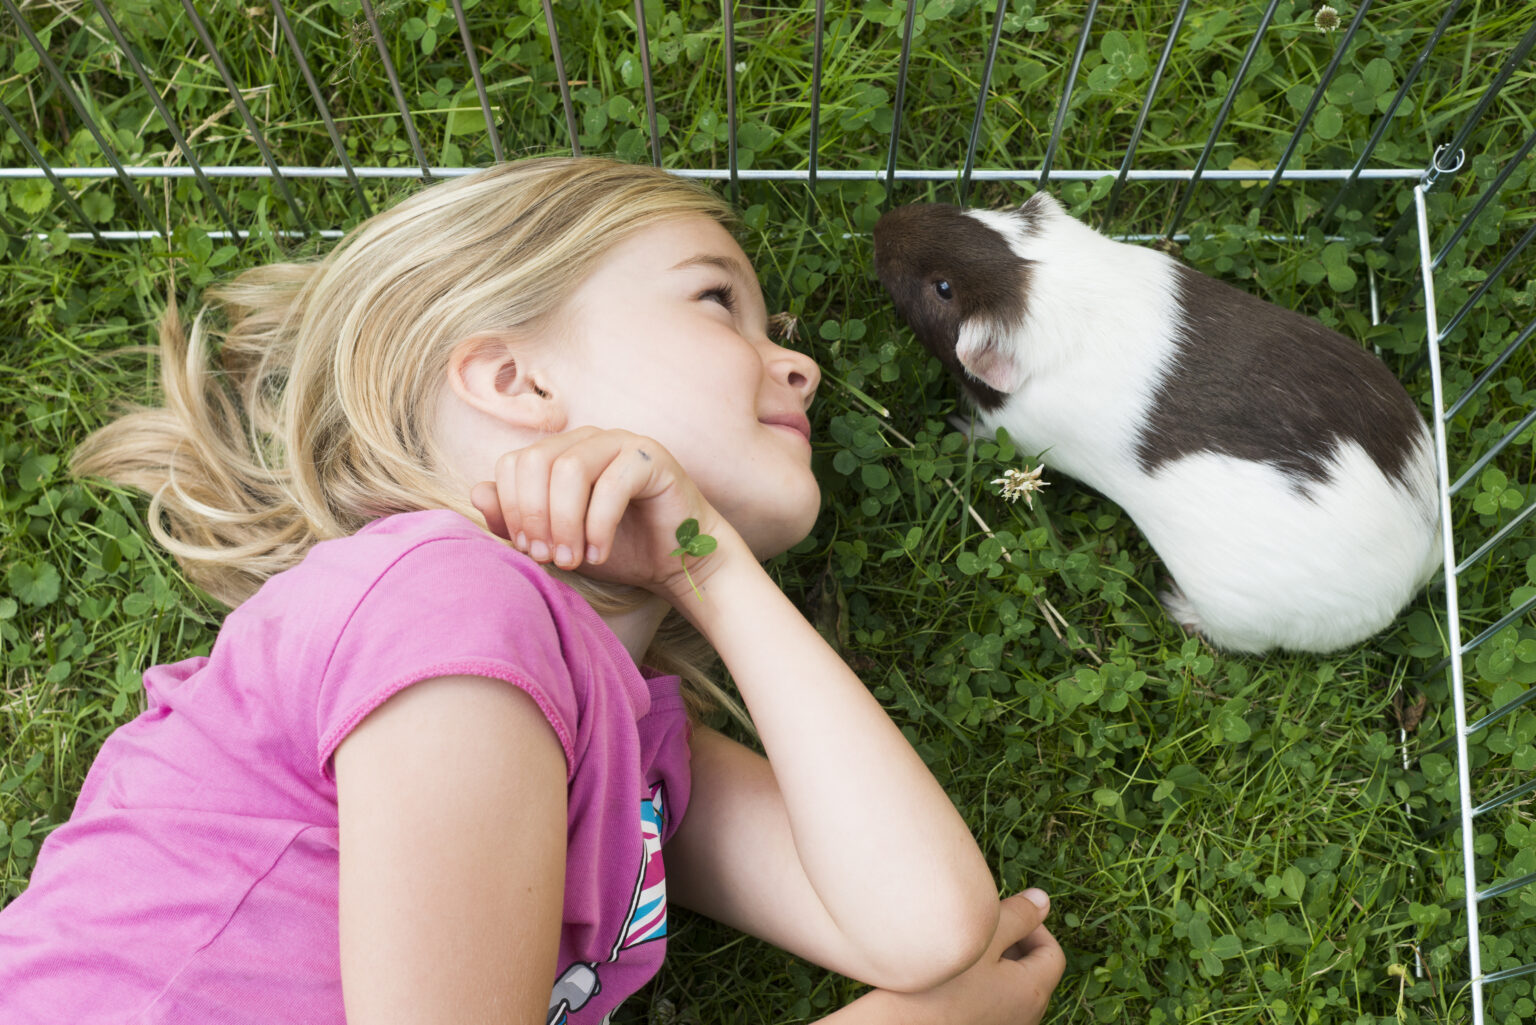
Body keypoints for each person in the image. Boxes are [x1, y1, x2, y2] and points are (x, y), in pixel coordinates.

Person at [0, 157, 1064, 1024]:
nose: (800, 368)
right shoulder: (449, 602)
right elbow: (935, 977)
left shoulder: (629, 734)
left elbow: (929, 924)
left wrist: (709, 561)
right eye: (716, 300)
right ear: (516, 381)